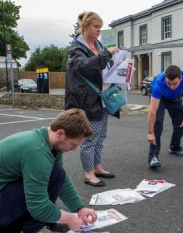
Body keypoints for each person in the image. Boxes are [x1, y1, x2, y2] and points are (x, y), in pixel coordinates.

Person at [0, 108, 97, 233]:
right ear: (60, 133)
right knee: (42, 197)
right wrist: (70, 219)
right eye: (74, 144)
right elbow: (38, 207)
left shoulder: (49, 142)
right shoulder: (37, 152)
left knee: (57, 174)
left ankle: (19, 226)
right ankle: (29, 229)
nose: (74, 149)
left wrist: (79, 208)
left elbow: (62, 181)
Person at [65, 11, 120, 187]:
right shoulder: (77, 49)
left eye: (100, 28)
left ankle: (97, 167)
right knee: (89, 138)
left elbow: (104, 67)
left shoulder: (98, 45)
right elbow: (83, 66)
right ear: (86, 26)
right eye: (96, 27)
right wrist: (106, 55)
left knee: (101, 136)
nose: (98, 31)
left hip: (102, 98)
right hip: (87, 101)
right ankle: (89, 174)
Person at [147, 65, 183, 168]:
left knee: (181, 122)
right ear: (165, 78)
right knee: (158, 123)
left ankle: (174, 147)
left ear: (180, 78)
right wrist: (150, 133)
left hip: (175, 98)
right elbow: (152, 111)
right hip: (160, 98)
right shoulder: (159, 84)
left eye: (175, 83)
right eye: (169, 83)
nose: (172, 86)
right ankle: (153, 157)